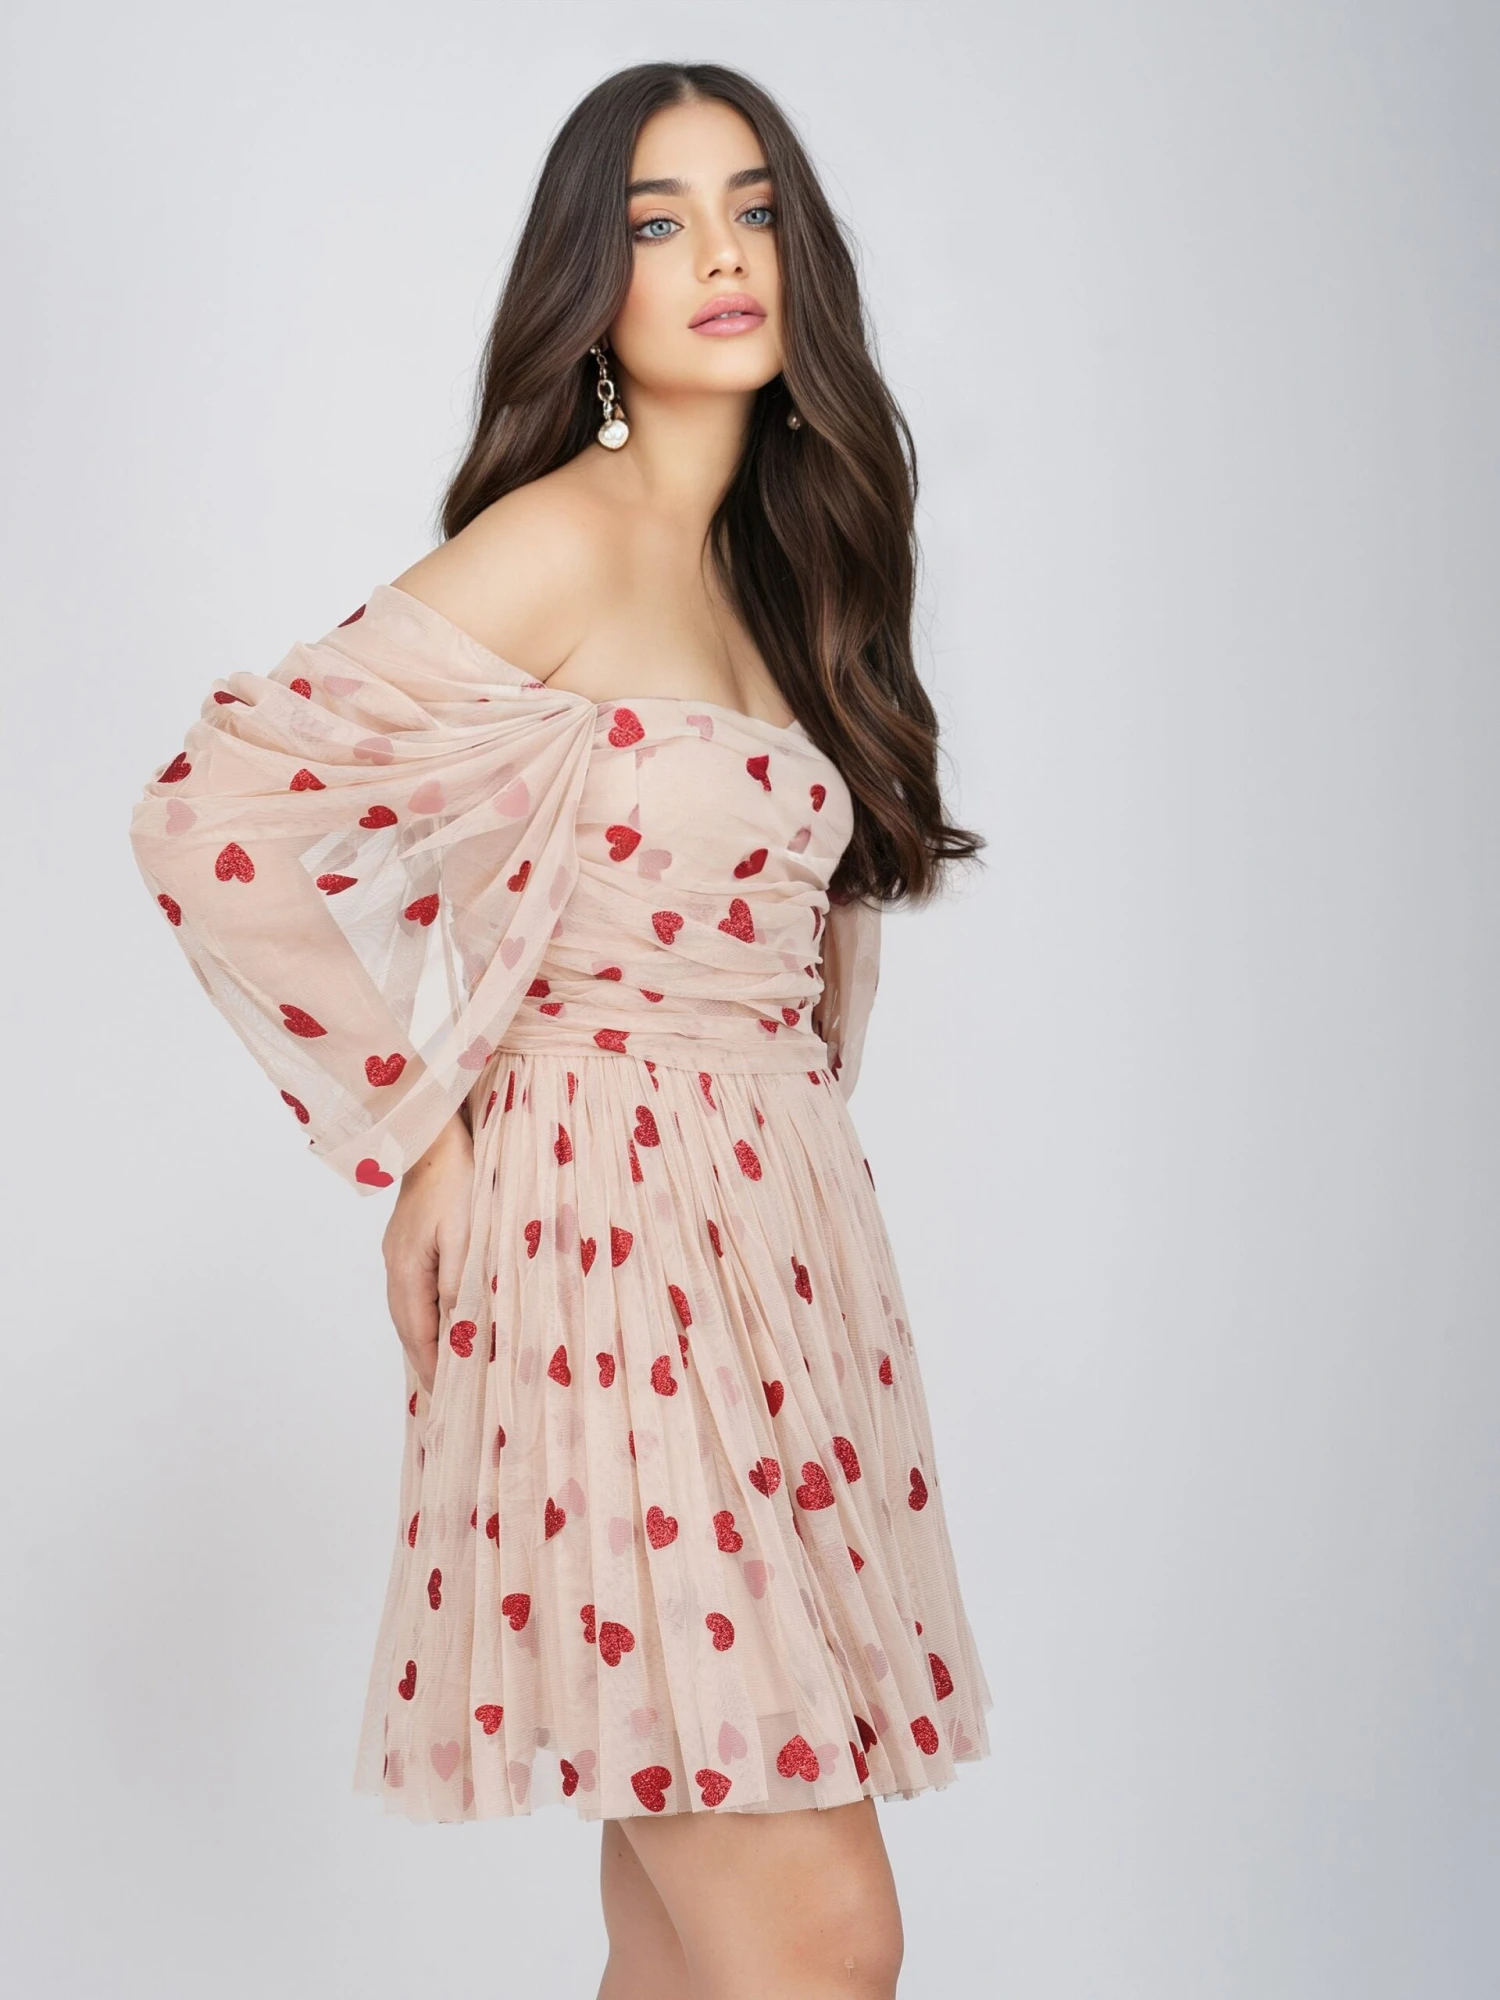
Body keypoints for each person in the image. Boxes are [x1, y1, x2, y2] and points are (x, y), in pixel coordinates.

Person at [129, 60, 993, 2000]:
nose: (721, 258)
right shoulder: (562, 538)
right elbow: (211, 813)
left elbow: (799, 979)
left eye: (754, 211)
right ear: (587, 286)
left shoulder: (779, 578)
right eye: (659, 222)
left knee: (677, 1947)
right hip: (602, 1263)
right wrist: (416, 1132)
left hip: (774, 1267)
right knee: (823, 1938)